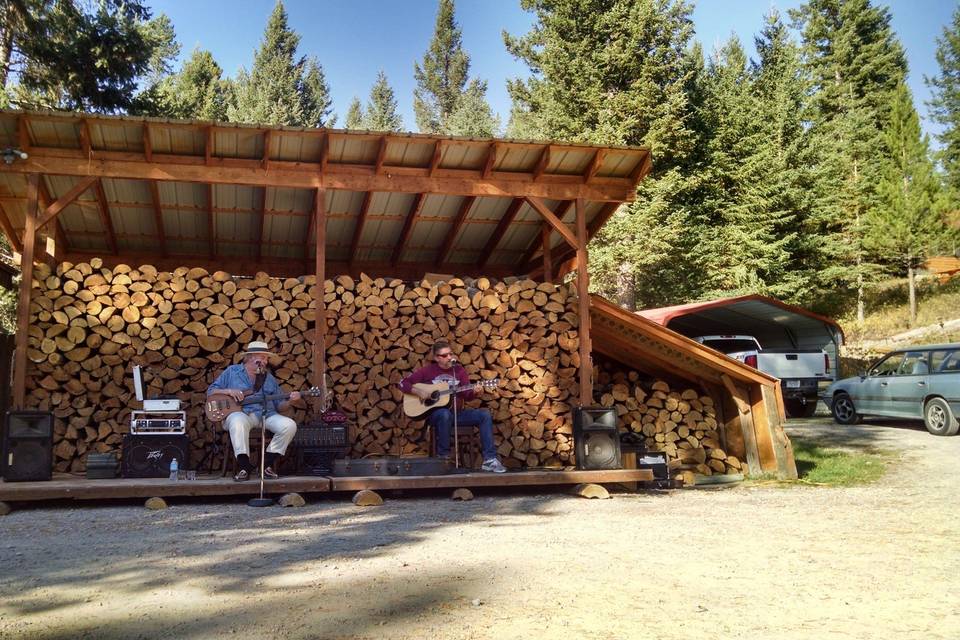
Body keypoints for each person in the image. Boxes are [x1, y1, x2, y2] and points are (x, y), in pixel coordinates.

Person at [399, 340, 506, 473]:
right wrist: (419, 391)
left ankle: (489, 460)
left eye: (450, 354)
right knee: (444, 413)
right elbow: (403, 383)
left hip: (457, 414)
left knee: (484, 415)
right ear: (437, 358)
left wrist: (475, 392)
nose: (449, 357)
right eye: (444, 356)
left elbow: (467, 395)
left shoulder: (459, 370)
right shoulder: (427, 371)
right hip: (436, 416)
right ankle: (443, 459)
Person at [207, 341, 301, 481]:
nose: (264, 360)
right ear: (250, 357)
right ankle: (244, 466)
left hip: (266, 414)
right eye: (261, 357)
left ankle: (265, 465)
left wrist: (290, 401)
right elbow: (210, 392)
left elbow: (279, 406)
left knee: (289, 425)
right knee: (238, 422)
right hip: (241, 413)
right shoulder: (232, 372)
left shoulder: (268, 378)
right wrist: (229, 391)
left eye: (266, 358)